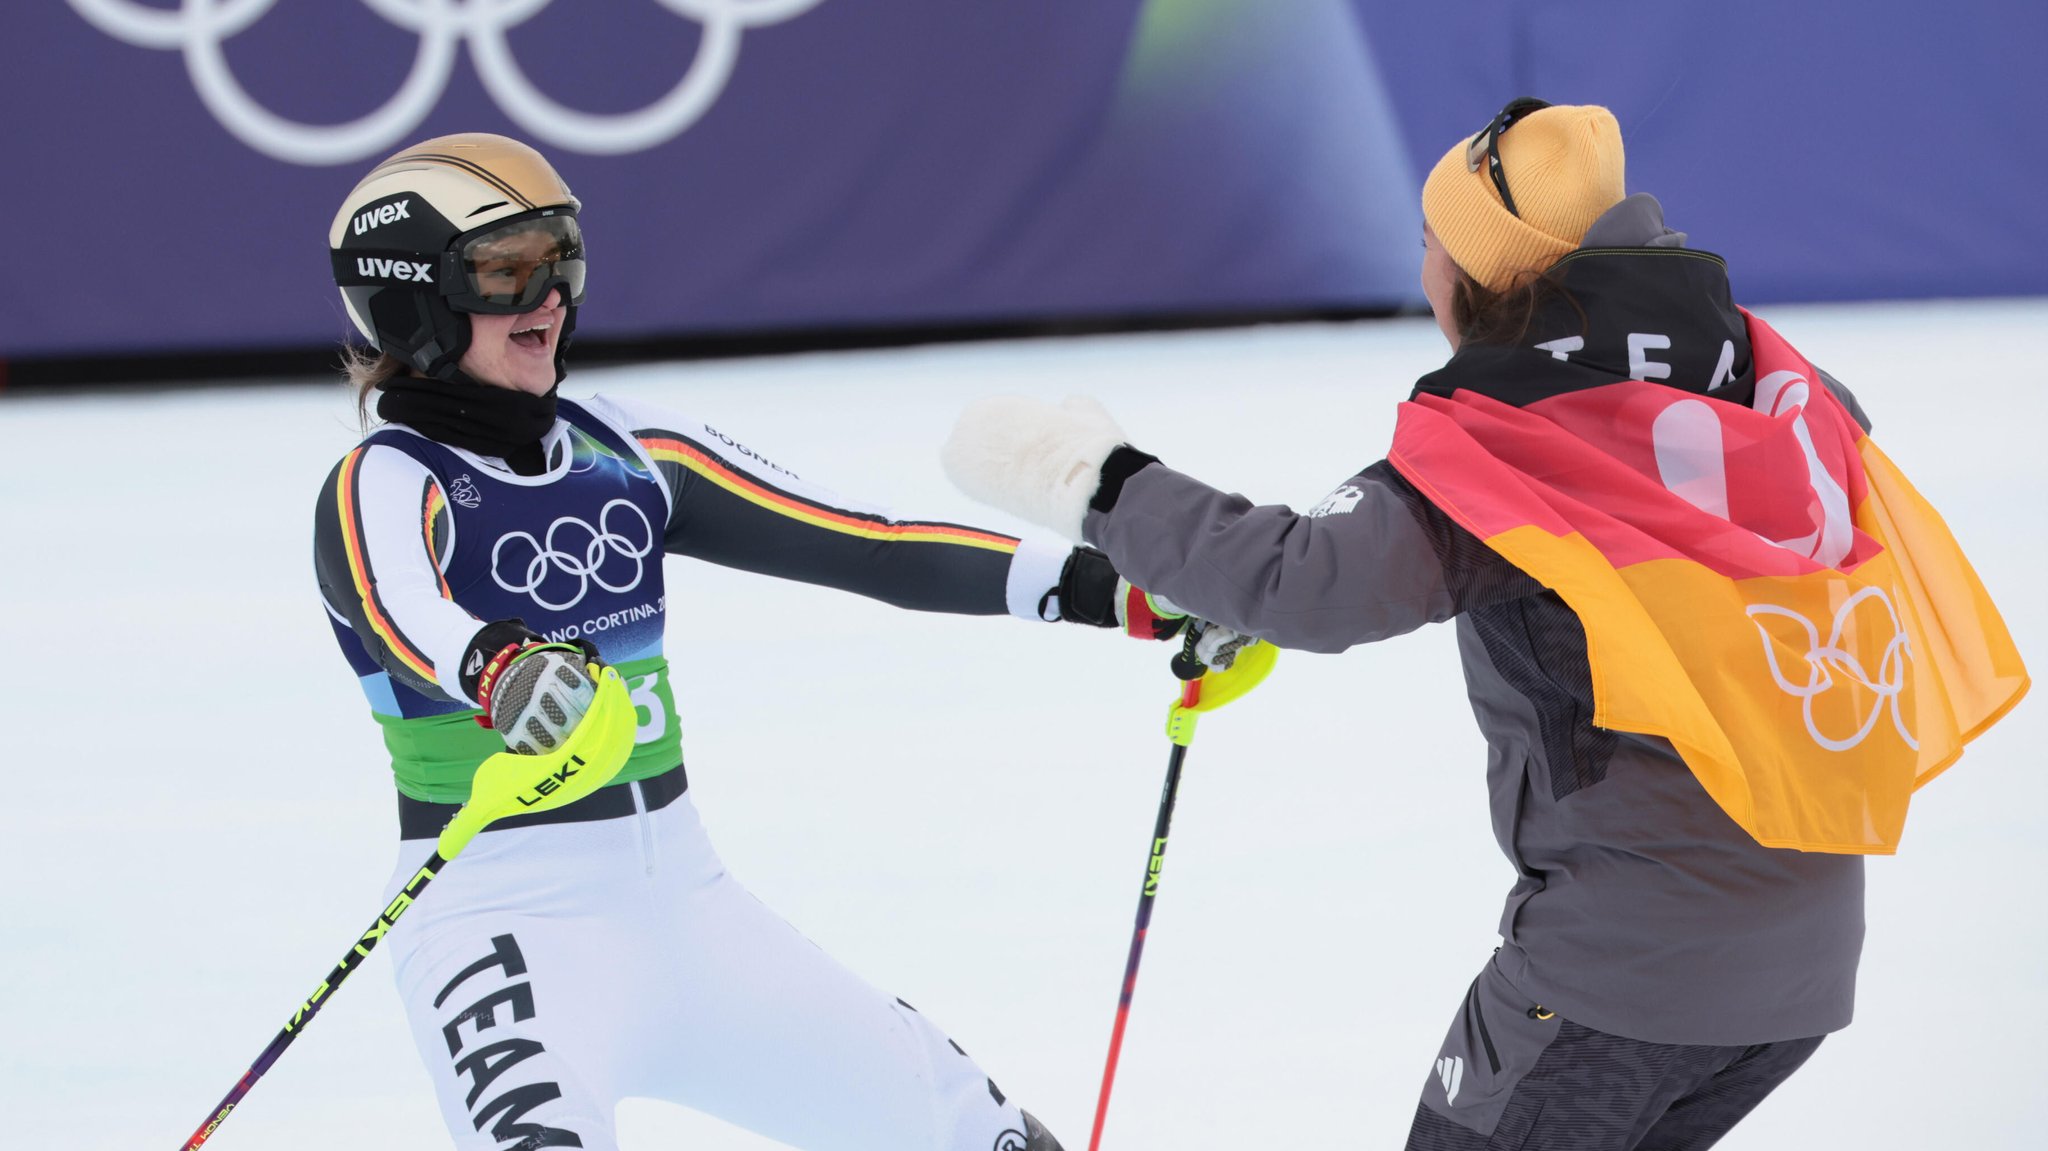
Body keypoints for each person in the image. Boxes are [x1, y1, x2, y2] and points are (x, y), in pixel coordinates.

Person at [943, 100, 2027, 1149]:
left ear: (1474, 274)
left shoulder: (1515, 445)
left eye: (1431, 242)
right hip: (1799, 971)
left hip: (1617, 975)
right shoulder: (1777, 385)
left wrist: (1095, 479)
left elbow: (1305, 580)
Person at [316, 132, 1172, 1151]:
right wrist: (498, 668)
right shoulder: (384, 479)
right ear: (412, 301)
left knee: (976, 1134)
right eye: (505, 271)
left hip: (688, 911)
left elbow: (872, 541)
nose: (548, 298)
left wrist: (1114, 591)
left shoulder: (626, 449)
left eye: (560, 260)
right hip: (500, 925)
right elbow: (393, 602)